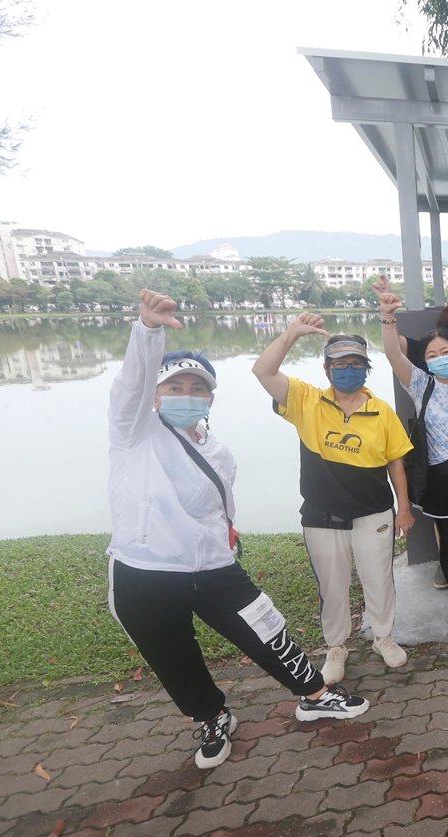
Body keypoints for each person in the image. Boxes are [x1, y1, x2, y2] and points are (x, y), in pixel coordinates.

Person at [110, 290, 368, 770]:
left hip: (213, 565)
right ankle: (210, 715)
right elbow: (130, 384)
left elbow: (218, 505)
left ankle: (313, 693)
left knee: (266, 628)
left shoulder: (217, 450)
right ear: (156, 395)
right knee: (173, 655)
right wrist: (148, 331)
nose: (186, 396)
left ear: (210, 397)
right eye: (175, 387)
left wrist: (228, 533)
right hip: (144, 572)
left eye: (197, 388)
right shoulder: (134, 432)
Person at [253, 315, 414, 683]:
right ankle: (336, 646)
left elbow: (396, 465)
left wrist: (403, 508)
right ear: (327, 369)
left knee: (379, 578)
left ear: (366, 369)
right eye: (339, 364)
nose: (348, 370)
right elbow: (263, 371)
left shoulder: (382, 411)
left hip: (373, 512)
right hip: (322, 515)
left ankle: (383, 637)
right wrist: (291, 333)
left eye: (356, 364)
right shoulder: (305, 400)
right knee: (332, 584)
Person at [378, 282, 448, 630]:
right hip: (441, 474)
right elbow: (394, 355)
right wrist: (387, 317)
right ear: (424, 362)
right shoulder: (422, 386)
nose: (441, 359)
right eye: (432, 355)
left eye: (447, 351)